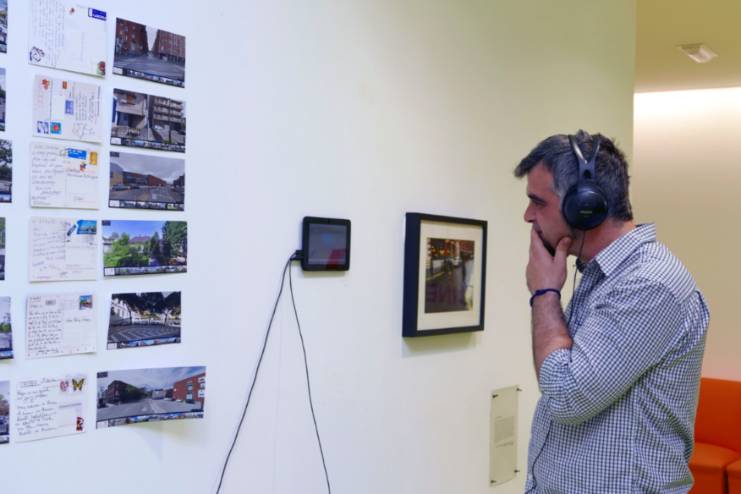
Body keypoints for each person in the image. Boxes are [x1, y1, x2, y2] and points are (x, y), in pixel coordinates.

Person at [513, 130, 709, 493]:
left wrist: (544, 293)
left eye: (538, 202)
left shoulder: (648, 284)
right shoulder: (601, 276)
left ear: (584, 205)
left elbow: (566, 396)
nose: (528, 216)